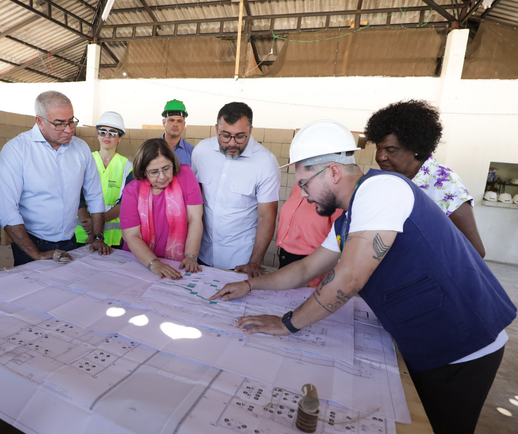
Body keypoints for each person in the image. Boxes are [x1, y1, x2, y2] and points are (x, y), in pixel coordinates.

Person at [211, 120, 515, 434]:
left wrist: (286, 323)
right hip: (427, 338)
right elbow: (305, 269)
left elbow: (349, 278)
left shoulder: (381, 190)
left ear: (332, 172)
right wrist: (250, 284)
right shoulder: (350, 216)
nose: (304, 194)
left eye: (305, 184)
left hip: (463, 343)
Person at [0, 91, 112, 266]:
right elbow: (6, 210)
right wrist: (36, 254)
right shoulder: (17, 150)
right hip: (31, 245)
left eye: (71, 121)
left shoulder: (81, 148)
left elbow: (95, 195)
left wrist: (97, 237)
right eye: (59, 124)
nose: (69, 129)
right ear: (39, 121)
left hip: (70, 243)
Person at [365, 99, 486, 257]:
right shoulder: (388, 179)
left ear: (416, 147)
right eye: (378, 149)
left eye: (391, 150)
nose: (380, 157)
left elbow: (475, 251)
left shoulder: (443, 183)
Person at [191, 102, 280, 277]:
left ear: (251, 130)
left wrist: (254, 262)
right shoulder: (201, 151)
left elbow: (267, 218)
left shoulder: (266, 162)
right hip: (201, 253)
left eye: (240, 136)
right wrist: (190, 252)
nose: (232, 143)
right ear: (216, 129)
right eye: (225, 136)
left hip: (240, 260)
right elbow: (194, 201)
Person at [120, 138, 204, 279]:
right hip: (140, 262)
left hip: (177, 262)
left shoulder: (185, 175)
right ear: (143, 171)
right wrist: (154, 263)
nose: (162, 177)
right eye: (154, 172)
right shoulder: (131, 191)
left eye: (166, 168)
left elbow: (195, 218)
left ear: (173, 163)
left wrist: (191, 256)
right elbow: (131, 236)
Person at [74, 111, 133, 248]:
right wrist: (88, 224)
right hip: (82, 233)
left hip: (112, 237)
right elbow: (76, 194)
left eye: (112, 133)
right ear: (98, 135)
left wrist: (96, 223)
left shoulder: (128, 167)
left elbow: (125, 202)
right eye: (102, 131)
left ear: (120, 137)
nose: (107, 136)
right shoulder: (85, 161)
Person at [276, 184, 343, 287]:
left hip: (313, 263)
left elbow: (341, 242)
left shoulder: (334, 191)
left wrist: (317, 279)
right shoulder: (298, 187)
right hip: (286, 257)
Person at [161, 99, 194, 166]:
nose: (175, 124)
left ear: (184, 124)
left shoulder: (192, 152)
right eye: (171, 120)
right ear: (164, 122)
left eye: (179, 121)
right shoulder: (151, 148)